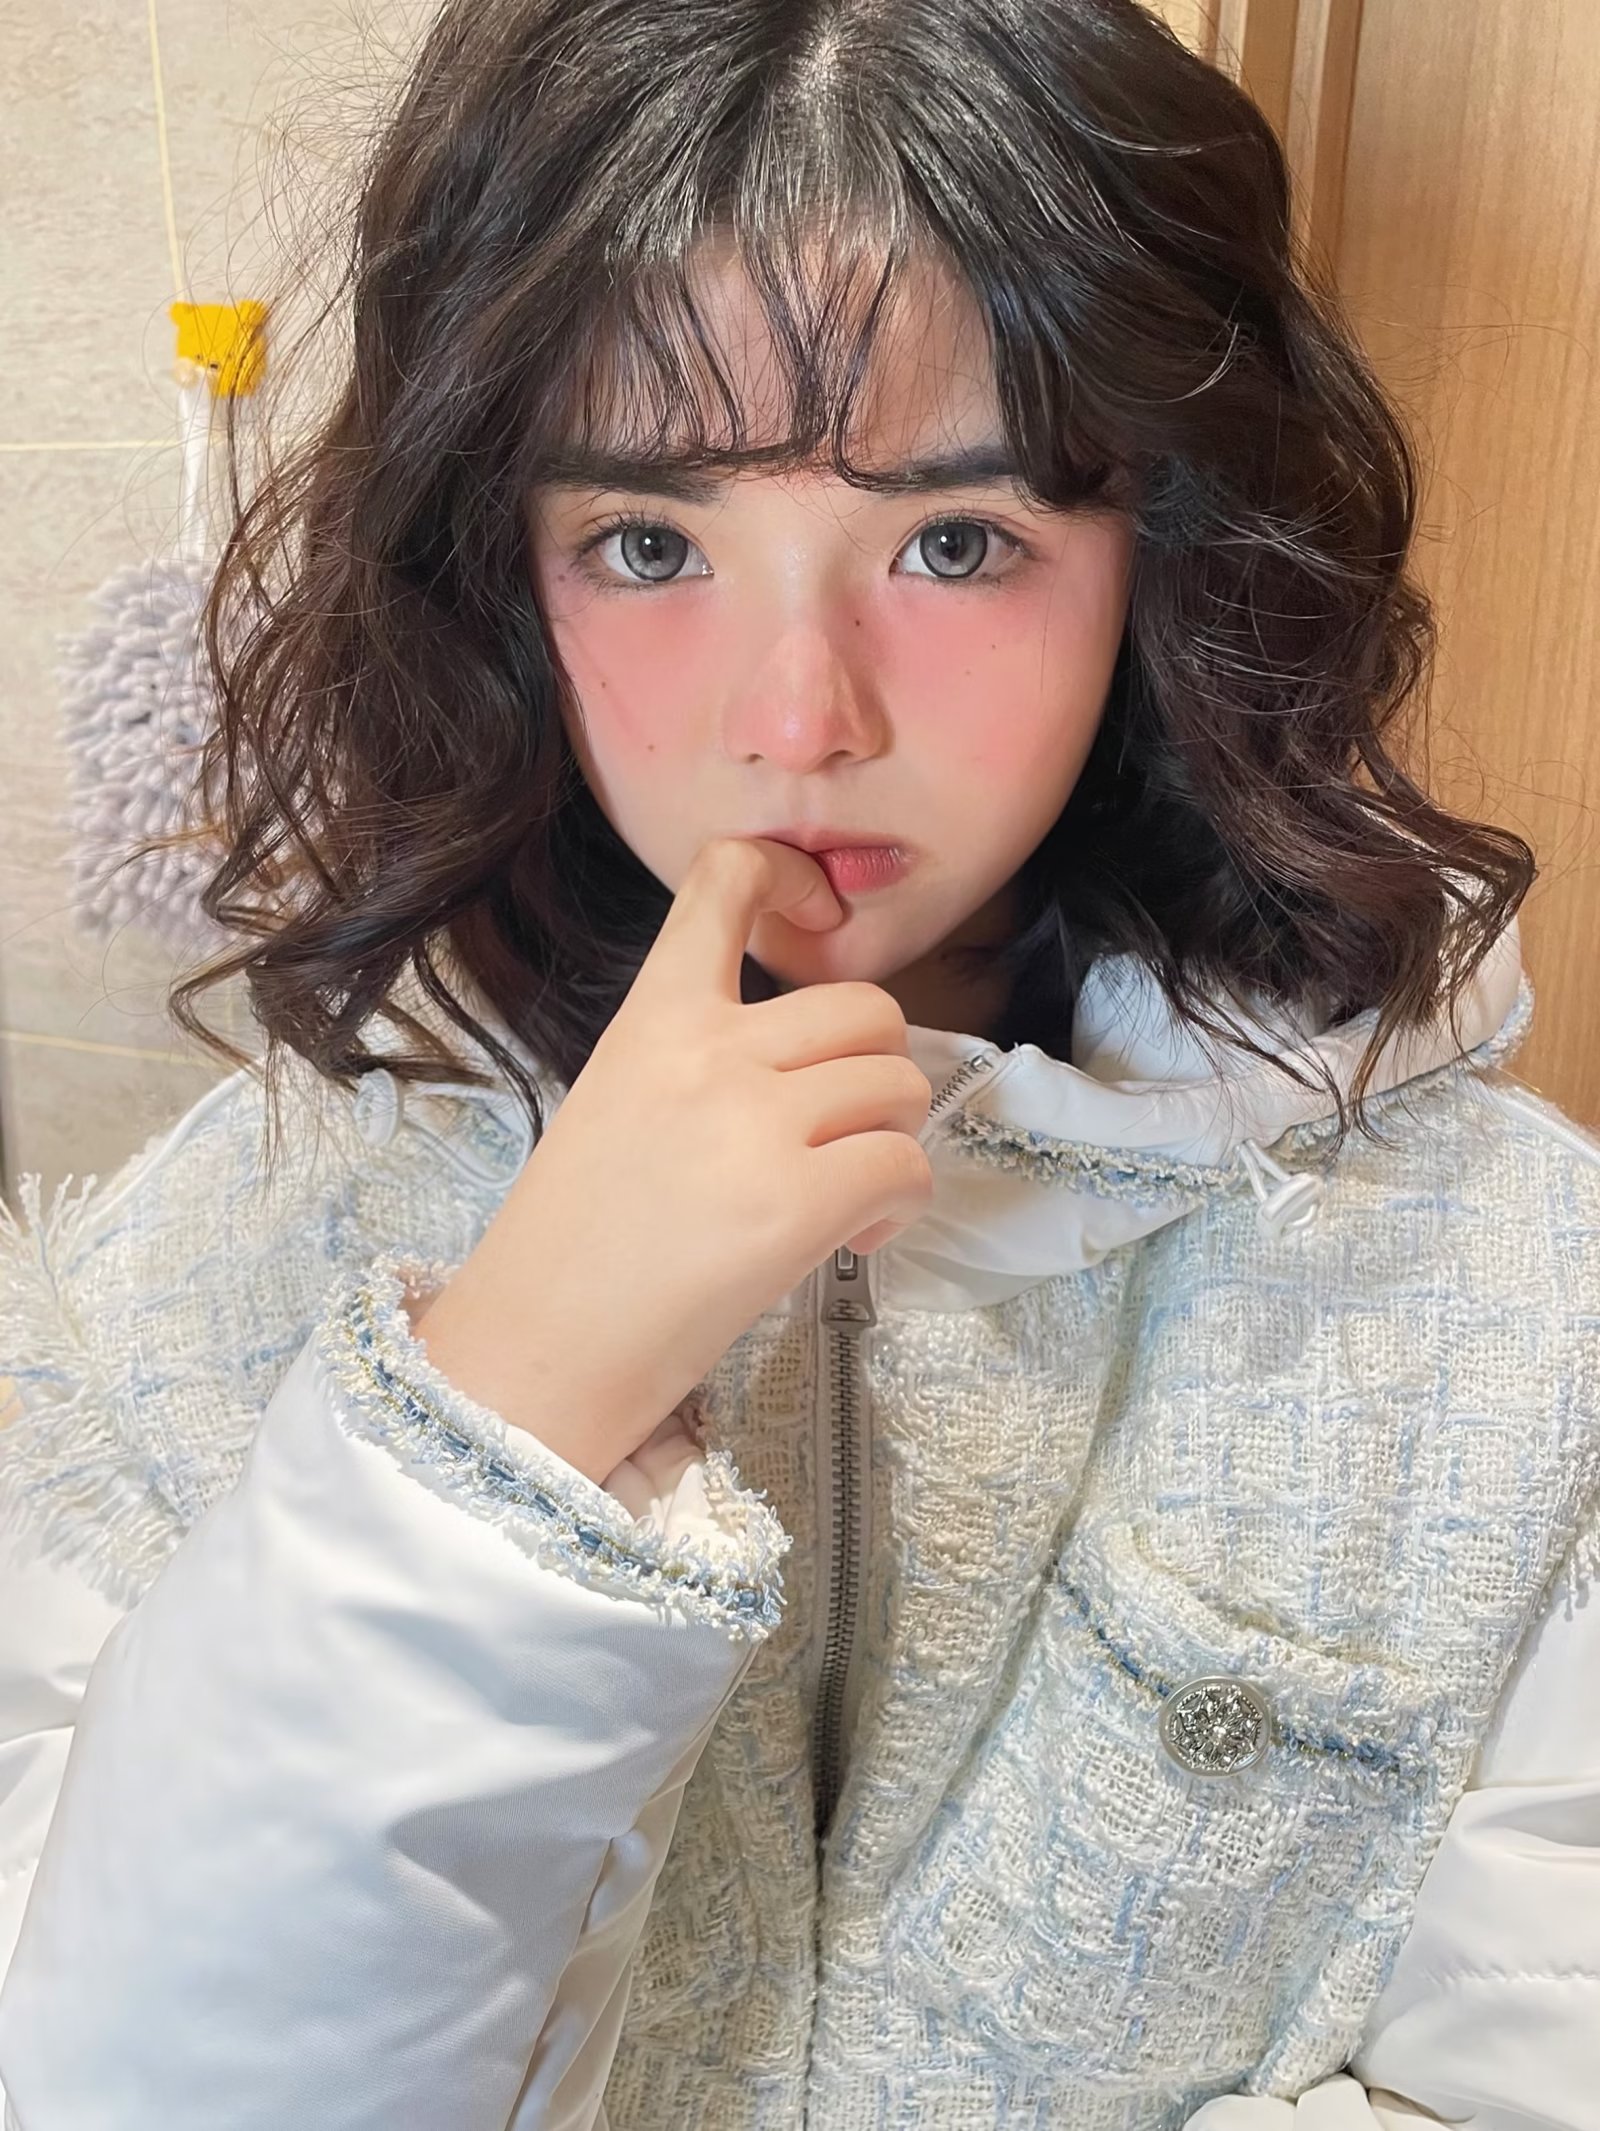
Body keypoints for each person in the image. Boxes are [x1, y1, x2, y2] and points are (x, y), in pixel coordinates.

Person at [0, 0, 1596, 2124]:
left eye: (956, 542)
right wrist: (501, 1415)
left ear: (1167, 548)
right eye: (648, 545)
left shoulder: (1514, 1292)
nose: (794, 719)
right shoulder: (183, 1274)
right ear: (500, 571)